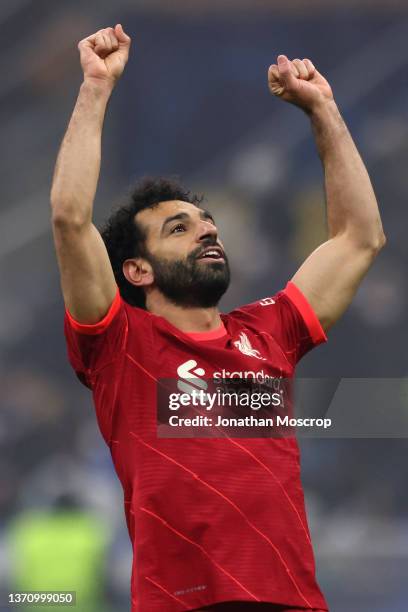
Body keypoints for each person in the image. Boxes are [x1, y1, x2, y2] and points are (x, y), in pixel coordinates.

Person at [50, 23, 385, 612]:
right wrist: (96, 89)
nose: (207, 230)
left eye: (207, 223)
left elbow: (359, 238)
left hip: (293, 602)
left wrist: (324, 112)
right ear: (137, 271)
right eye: (178, 229)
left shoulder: (268, 332)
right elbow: (69, 219)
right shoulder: (120, 344)